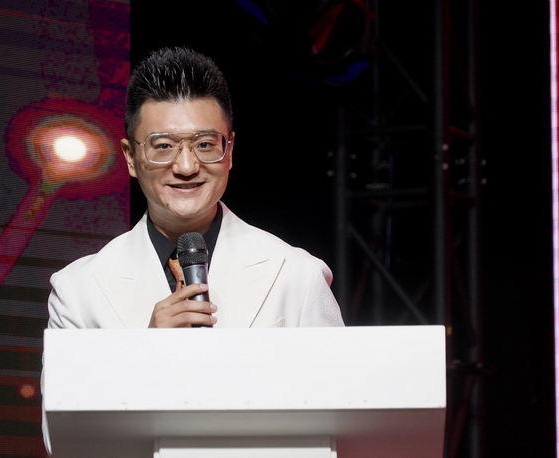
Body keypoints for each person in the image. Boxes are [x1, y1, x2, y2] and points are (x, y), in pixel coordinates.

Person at [42, 46, 344, 454]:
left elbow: (339, 420)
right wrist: (145, 355)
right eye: (163, 146)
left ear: (229, 151)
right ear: (131, 157)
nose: (186, 167)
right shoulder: (78, 290)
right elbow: (61, 441)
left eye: (204, 144)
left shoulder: (296, 274)